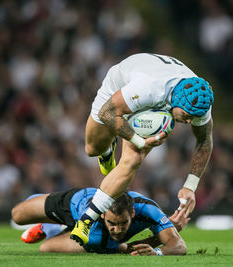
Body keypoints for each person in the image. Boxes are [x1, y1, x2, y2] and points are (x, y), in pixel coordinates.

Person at [71, 53, 214, 245]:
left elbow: (204, 140)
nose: (188, 122)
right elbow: (107, 113)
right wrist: (138, 140)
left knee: (133, 160)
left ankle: (86, 220)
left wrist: (190, 186)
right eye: (187, 116)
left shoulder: (199, 102)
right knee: (92, 149)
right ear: (178, 100)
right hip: (121, 89)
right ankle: (107, 150)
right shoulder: (149, 87)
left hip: (158, 104)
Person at [11, 188, 189, 255]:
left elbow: (180, 246)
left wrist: (158, 252)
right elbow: (128, 248)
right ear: (102, 214)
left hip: (91, 234)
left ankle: (51, 230)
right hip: (74, 203)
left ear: (133, 212)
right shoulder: (97, 233)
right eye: (112, 223)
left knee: (45, 247)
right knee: (18, 215)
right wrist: (161, 235)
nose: (117, 230)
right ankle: (48, 224)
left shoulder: (149, 210)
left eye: (122, 223)